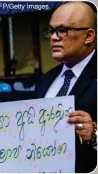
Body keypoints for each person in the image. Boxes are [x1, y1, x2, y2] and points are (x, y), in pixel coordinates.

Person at [35, 2, 97, 172]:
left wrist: (95, 136)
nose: (54, 37)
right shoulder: (46, 80)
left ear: (89, 36)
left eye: (63, 30)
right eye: (51, 31)